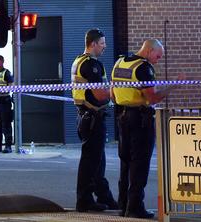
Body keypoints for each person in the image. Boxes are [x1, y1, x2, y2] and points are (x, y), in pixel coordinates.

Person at [111, 39, 181, 219]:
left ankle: (124, 205)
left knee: (125, 162)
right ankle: (135, 207)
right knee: (139, 164)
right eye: (157, 56)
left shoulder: (120, 63)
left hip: (122, 117)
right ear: (149, 50)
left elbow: (112, 94)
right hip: (140, 120)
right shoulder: (144, 68)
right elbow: (152, 98)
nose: (157, 60)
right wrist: (172, 87)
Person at [72, 28, 119, 213]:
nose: (105, 46)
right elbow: (100, 94)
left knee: (98, 161)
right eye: (102, 43)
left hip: (85, 117)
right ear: (92, 44)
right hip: (92, 117)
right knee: (91, 162)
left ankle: (104, 197)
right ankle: (84, 200)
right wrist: (116, 93)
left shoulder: (79, 60)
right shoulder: (91, 64)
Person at [0, 55, 14, 154]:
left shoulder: (6, 73)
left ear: (2, 61)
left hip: (5, 102)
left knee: (6, 125)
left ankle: (8, 146)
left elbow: (11, 87)